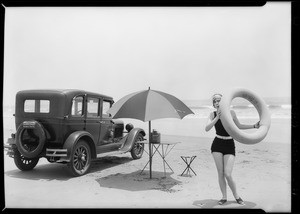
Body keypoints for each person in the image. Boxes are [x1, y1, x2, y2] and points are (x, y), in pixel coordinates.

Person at [205, 93, 260, 205]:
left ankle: (237, 196)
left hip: (229, 143)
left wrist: (254, 126)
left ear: (224, 101)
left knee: (228, 174)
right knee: (220, 173)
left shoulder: (231, 113)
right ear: (213, 104)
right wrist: (217, 117)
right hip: (217, 144)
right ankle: (224, 197)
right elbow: (207, 128)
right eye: (215, 101)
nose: (217, 102)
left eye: (219, 100)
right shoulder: (212, 114)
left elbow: (238, 126)